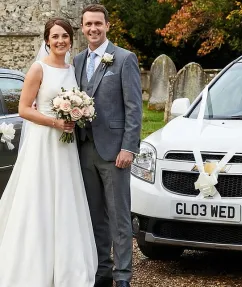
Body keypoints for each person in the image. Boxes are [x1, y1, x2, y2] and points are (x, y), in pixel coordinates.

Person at [0, 17, 98, 286]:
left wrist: (78, 112)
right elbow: (23, 109)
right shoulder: (37, 68)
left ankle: (67, 267)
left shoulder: (72, 68)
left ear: (70, 40)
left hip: (65, 147)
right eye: (55, 36)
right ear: (47, 41)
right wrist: (56, 121)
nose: (60, 41)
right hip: (43, 142)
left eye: (65, 36)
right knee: (39, 199)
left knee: (65, 198)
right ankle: (33, 267)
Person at [73, 4, 142, 287]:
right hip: (83, 149)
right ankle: (102, 272)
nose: (93, 29)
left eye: (98, 24)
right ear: (82, 27)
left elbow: (134, 107)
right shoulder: (76, 61)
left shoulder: (125, 59)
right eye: (88, 24)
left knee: (119, 217)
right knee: (94, 216)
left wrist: (129, 147)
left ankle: (123, 276)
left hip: (115, 152)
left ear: (108, 26)